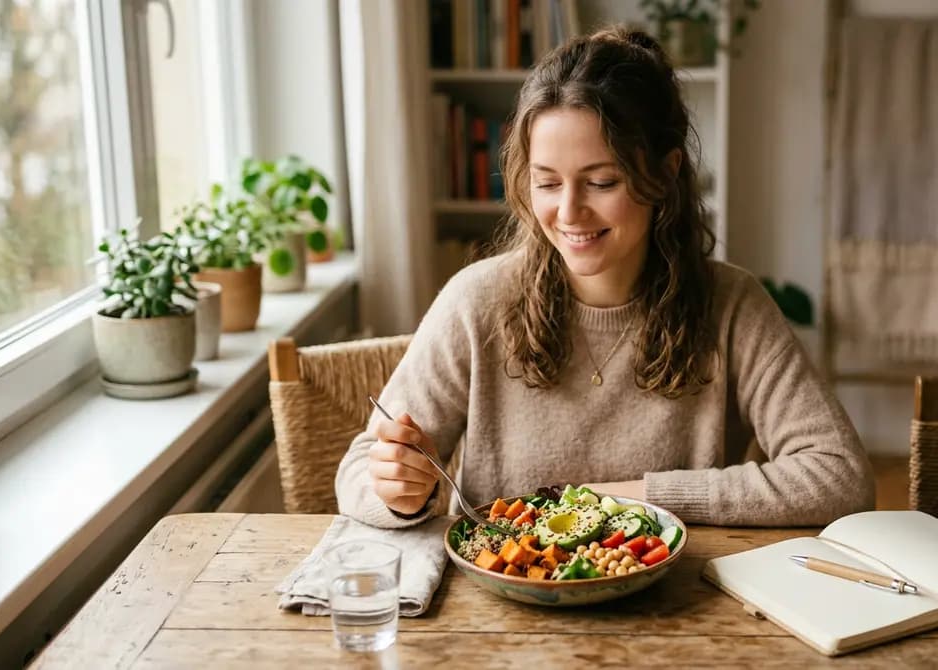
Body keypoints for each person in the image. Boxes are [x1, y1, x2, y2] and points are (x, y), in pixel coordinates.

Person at [336, 26, 874, 529]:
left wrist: (634, 498)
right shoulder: (476, 299)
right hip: (498, 613)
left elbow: (840, 475)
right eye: (547, 184)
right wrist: (402, 493)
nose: (569, 213)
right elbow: (360, 469)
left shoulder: (731, 305)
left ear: (663, 174)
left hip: (673, 610)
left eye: (600, 182)